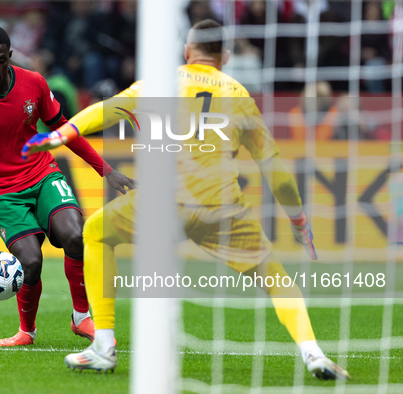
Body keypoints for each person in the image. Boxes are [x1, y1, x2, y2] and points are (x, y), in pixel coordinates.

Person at [22, 19, 350, 380]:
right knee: (277, 278)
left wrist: (63, 133)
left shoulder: (163, 81)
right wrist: (299, 220)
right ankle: (314, 354)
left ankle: (103, 345)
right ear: (224, 57)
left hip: (163, 202)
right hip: (220, 205)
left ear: (186, 51)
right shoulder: (239, 95)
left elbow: (108, 109)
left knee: (97, 232)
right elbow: (276, 173)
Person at [0, 25, 135, 347]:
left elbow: (64, 128)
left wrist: (106, 171)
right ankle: (26, 332)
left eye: (1, 60)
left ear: (10, 57)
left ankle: (81, 317)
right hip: (0, 191)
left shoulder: (33, 83)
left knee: (77, 235)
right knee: (31, 262)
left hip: (41, 173)